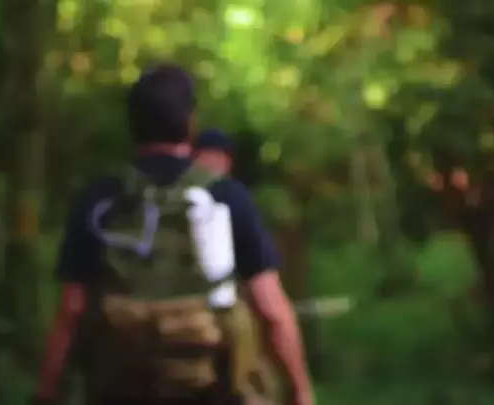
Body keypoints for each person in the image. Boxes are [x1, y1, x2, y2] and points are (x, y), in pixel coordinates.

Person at [32, 64, 312, 405]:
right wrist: (300, 391)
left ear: (132, 125)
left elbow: (71, 311)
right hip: (208, 388)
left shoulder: (99, 200)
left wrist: (46, 393)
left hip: (120, 388)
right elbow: (271, 309)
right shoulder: (225, 196)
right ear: (191, 122)